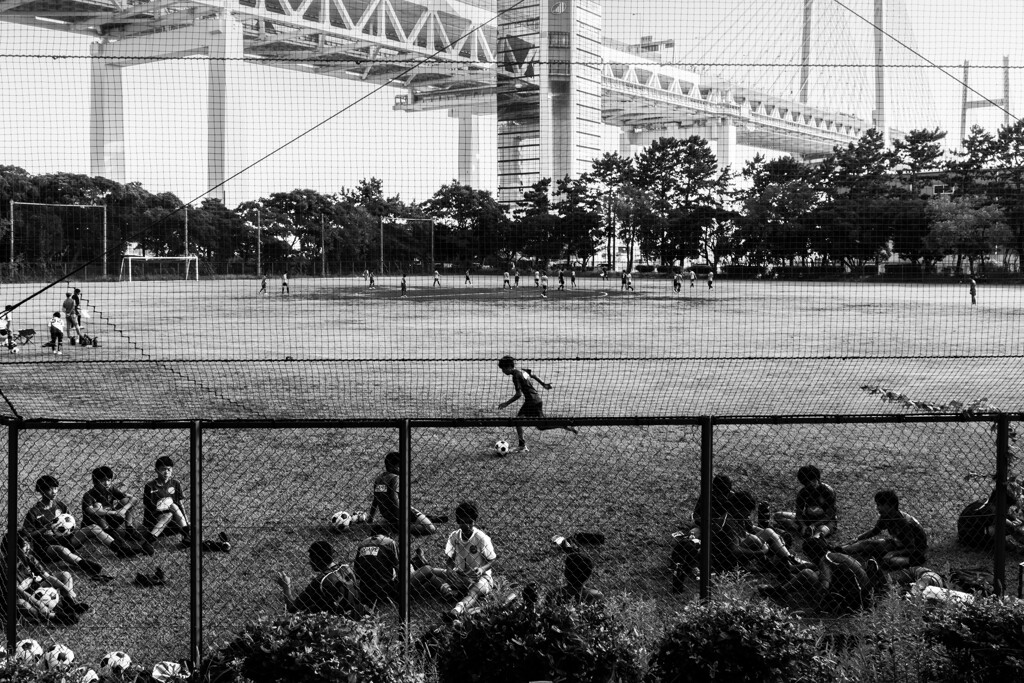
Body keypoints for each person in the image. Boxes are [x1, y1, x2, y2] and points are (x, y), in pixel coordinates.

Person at [411, 501, 497, 621]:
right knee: (430, 571)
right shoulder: (454, 537)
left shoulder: (481, 538)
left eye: (470, 522)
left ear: (474, 521)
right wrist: (450, 570)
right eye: (463, 522)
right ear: (458, 521)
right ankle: (420, 569)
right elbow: (450, 559)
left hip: (480, 578)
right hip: (459, 575)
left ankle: (456, 611)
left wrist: (482, 569)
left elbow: (493, 560)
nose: (466, 525)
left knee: (475, 591)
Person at [759, 537, 871, 615]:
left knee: (807, 573)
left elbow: (825, 586)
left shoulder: (825, 560)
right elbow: (818, 567)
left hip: (850, 601)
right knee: (810, 569)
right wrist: (793, 568)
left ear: (813, 554)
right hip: (862, 594)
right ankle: (788, 578)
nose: (808, 558)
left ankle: (780, 591)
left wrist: (815, 609)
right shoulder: (832, 555)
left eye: (808, 555)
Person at [23, 476, 105, 578]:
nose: (54, 492)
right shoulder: (34, 512)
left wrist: (70, 527)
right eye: (49, 489)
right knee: (61, 550)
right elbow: (27, 534)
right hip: (46, 548)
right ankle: (86, 565)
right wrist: (45, 529)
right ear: (41, 491)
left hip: (65, 539)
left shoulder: (60, 505)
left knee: (93, 528)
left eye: (55, 488)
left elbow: (70, 520)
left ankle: (119, 547)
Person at [0, 532, 90, 624]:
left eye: (28, 545)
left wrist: (66, 589)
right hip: (17, 596)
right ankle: (54, 617)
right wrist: (40, 604)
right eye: (24, 546)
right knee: (21, 603)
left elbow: (47, 577)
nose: (28, 548)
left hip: (35, 587)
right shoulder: (4, 567)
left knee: (65, 575)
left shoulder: (29, 558)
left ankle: (69, 606)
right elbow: (19, 591)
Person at [496, 355, 577, 453]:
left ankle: (522, 446)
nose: (503, 371)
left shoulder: (515, 376)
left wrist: (506, 403)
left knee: (523, 422)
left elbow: (518, 394)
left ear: (508, 367)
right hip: (536, 400)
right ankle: (562, 424)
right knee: (537, 425)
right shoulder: (522, 371)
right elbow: (532, 374)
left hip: (531, 402)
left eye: (503, 369)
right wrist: (543, 384)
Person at [838, 490, 927, 570]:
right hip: (898, 544)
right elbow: (875, 531)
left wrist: (893, 553)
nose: (878, 508)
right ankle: (840, 550)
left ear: (891, 506)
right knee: (867, 544)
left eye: (881, 505)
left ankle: (911, 561)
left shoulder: (904, 523)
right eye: (877, 505)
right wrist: (857, 539)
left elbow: (911, 548)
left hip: (915, 551)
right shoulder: (886, 516)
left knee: (889, 561)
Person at [81, 466, 153, 558]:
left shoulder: (111, 489)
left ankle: (129, 530)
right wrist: (113, 513)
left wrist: (123, 510)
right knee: (97, 506)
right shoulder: (89, 495)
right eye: (103, 480)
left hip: (110, 520)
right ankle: (115, 538)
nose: (107, 483)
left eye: (109, 480)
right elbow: (90, 510)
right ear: (95, 482)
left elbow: (133, 498)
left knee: (126, 501)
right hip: (94, 525)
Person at [275, 540, 360, 616]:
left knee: (306, 613)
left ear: (315, 560)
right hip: (356, 615)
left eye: (310, 559)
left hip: (336, 622)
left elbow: (292, 608)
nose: (309, 562)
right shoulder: (346, 567)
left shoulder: (321, 581)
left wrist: (286, 586)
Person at [365, 451, 438, 536]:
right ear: (391, 466)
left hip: (389, 516)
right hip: (401, 512)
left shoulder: (380, 479)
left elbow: (376, 499)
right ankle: (400, 527)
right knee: (430, 529)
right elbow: (393, 499)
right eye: (400, 466)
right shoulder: (395, 478)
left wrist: (371, 517)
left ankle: (398, 524)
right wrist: (401, 518)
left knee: (420, 520)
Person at [772, 465, 838, 540]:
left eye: (813, 481)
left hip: (825, 521)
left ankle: (814, 535)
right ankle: (804, 529)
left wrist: (814, 525)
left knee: (821, 531)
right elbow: (799, 514)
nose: (812, 484)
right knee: (778, 515)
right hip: (807, 519)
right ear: (804, 483)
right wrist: (803, 525)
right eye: (808, 483)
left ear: (818, 478)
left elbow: (829, 516)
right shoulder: (803, 492)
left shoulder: (828, 491)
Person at [958, 481, 1024, 550]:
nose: (1008, 508)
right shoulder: (990, 509)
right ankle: (997, 545)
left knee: (1010, 525)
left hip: (972, 531)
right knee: (1005, 527)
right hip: (969, 537)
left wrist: (1014, 520)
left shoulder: (990, 504)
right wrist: (1012, 524)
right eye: (1008, 506)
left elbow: (1005, 516)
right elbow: (1001, 519)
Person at [142, 456, 191, 547]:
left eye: (169, 469)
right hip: (156, 520)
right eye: (163, 469)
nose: (166, 472)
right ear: (156, 470)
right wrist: (163, 505)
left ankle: (186, 535)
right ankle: (149, 540)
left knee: (174, 507)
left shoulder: (175, 483)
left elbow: (180, 503)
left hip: (174, 522)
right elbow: (148, 508)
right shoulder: (150, 486)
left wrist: (186, 520)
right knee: (169, 513)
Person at [352, 533, 399, 608]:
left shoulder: (362, 544)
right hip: (386, 588)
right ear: (388, 534)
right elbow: (398, 567)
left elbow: (356, 571)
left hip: (365, 590)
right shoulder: (389, 542)